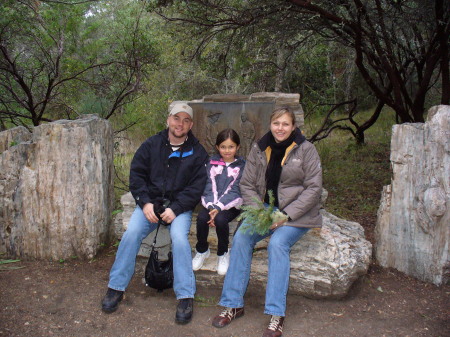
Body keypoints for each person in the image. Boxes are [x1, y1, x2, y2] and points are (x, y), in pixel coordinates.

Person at [211, 107, 322, 337]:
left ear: (293, 127)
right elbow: (247, 184)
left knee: (277, 245)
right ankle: (233, 304)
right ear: (270, 125)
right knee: (241, 238)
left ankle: (276, 314)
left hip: (295, 214)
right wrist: (260, 211)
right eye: (276, 123)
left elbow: (313, 189)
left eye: (285, 124)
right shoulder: (259, 148)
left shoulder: (307, 150)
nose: (280, 128)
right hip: (264, 210)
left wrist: (286, 215)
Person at [101, 103, 208, 325]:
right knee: (131, 233)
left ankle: (185, 296)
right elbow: (137, 175)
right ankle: (116, 287)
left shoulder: (198, 152)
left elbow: (197, 188)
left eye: (186, 120)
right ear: (168, 120)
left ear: (191, 124)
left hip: (178, 208)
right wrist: (145, 202)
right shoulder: (152, 144)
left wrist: (176, 209)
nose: (181, 124)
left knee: (179, 239)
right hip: (151, 206)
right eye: (176, 118)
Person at [192, 128, 245, 275]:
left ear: (237, 147)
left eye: (231, 147)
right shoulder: (211, 163)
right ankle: (202, 250)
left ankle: (223, 253)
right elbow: (209, 185)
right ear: (217, 147)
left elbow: (235, 190)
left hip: (232, 205)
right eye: (223, 147)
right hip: (211, 204)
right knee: (202, 218)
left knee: (221, 220)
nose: (227, 150)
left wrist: (219, 208)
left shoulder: (242, 166)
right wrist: (211, 207)